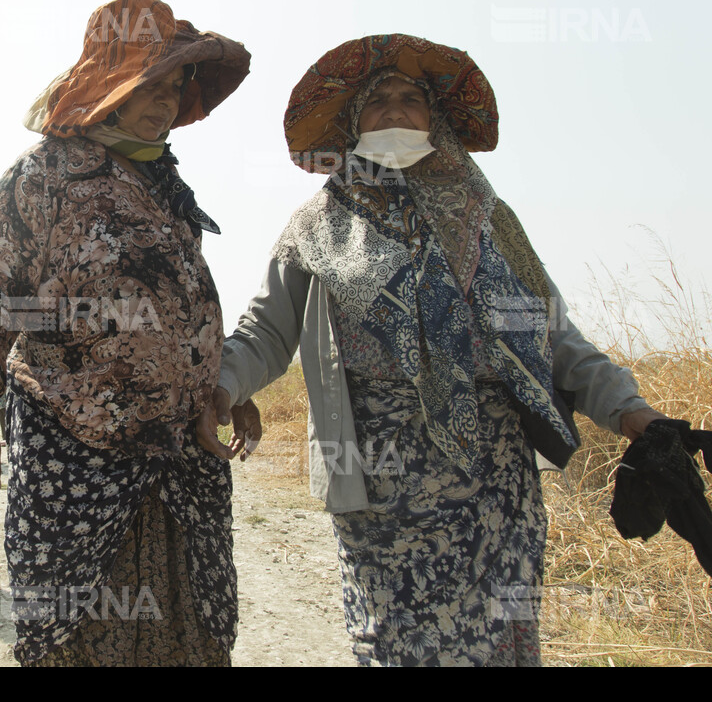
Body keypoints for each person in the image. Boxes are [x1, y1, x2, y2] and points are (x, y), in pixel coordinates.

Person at [214, 34, 667, 666]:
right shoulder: (316, 229)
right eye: (378, 102)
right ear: (351, 125)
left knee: (502, 645)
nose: (396, 110)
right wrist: (221, 387)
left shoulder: (487, 220)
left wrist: (631, 412)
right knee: (398, 647)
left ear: (437, 119)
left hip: (497, 485)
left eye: (411, 98)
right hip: (381, 488)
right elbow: (266, 331)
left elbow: (554, 338)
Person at [0, 0, 253, 666]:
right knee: (76, 628)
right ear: (109, 81)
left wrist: (222, 382)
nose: (166, 100)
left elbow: (185, 304)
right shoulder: (44, 175)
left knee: (183, 629)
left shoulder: (163, 183)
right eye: (151, 83)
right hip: (75, 452)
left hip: (178, 459)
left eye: (175, 86)